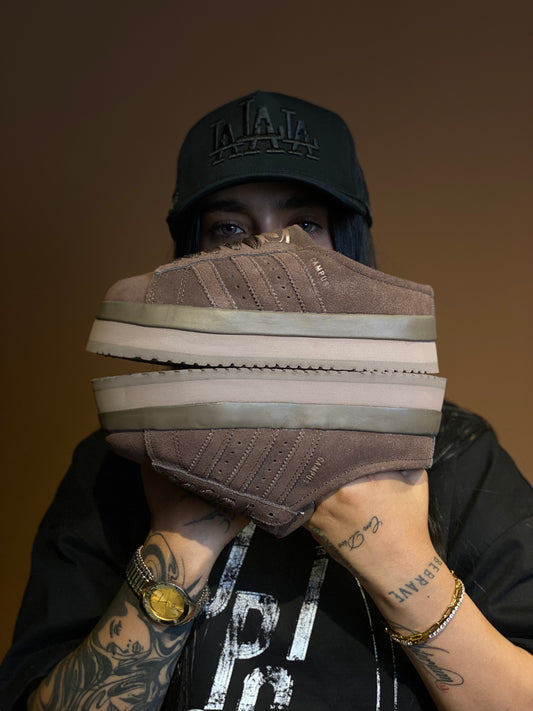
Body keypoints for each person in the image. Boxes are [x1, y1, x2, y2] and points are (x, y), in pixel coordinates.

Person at [1, 91, 532, 711]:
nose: (270, 256)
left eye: (304, 225)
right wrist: (177, 545)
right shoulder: (116, 462)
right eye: (229, 228)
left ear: (347, 246)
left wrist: (397, 560)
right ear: (190, 257)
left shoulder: (455, 453)